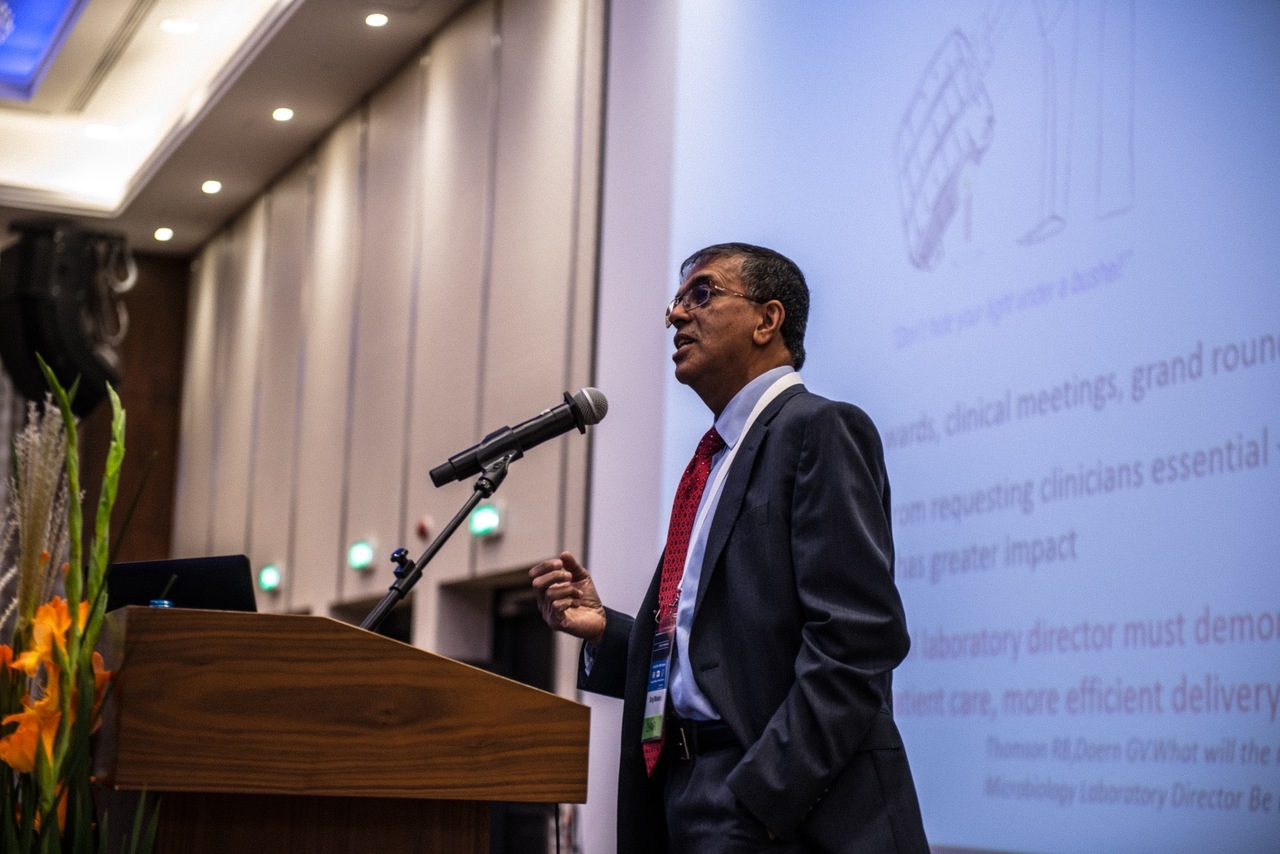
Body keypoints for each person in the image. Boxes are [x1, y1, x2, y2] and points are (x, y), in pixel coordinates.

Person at [530, 243, 928, 853]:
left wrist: (764, 798)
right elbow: (714, 654)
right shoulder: (714, 461)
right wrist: (607, 631)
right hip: (685, 791)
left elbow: (858, 638)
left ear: (768, 320)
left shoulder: (818, 428)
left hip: (777, 804)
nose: (676, 315)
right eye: (675, 301)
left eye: (702, 294)